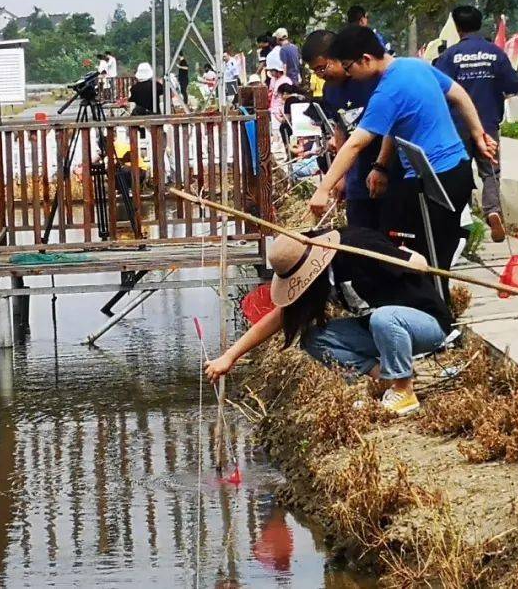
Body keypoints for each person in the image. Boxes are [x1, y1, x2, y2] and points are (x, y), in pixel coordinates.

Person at [311, 26, 495, 284]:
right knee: (427, 252)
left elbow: (354, 145)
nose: (350, 73)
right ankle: (435, 310)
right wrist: (478, 134)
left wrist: (323, 189)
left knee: (425, 259)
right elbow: (458, 94)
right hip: (458, 170)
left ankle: (436, 316)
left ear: (366, 59)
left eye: (349, 66)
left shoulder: (387, 92)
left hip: (435, 180)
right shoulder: (413, 66)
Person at [204, 227, 452, 415]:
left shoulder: (357, 248)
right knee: (314, 338)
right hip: (378, 331)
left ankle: (404, 390)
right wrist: (229, 357)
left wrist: (410, 257)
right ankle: (387, 379)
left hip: (424, 325)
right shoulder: (316, 283)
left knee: (383, 317)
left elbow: (419, 265)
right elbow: (280, 317)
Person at [433, 5, 518, 242]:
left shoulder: (449, 57)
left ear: (457, 26)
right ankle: (493, 211)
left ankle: (457, 221)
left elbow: (435, 89)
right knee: (491, 172)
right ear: (479, 24)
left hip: (456, 127)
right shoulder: (495, 53)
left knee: (457, 173)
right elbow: (513, 85)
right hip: (488, 125)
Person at [302, 29, 402, 230]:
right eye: (315, 71)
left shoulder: (371, 79)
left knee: (389, 243)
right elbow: (341, 129)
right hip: (358, 181)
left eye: (323, 68)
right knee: (360, 239)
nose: (321, 75)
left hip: (389, 175)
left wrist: (381, 166)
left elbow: (393, 126)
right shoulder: (331, 89)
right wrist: (341, 177)